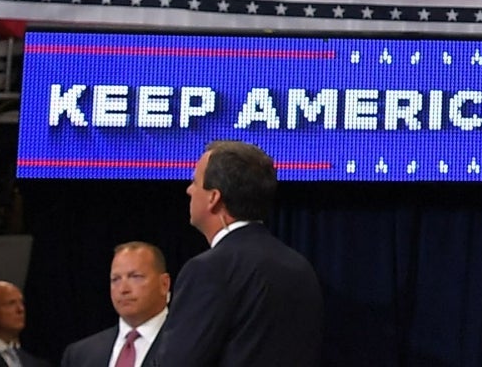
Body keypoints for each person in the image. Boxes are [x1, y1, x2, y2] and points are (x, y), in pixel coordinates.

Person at [148, 141, 322, 367]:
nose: (189, 190)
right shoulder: (300, 267)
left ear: (213, 198)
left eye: (195, 182)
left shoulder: (209, 270)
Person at [62, 242, 171, 367]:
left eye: (135, 277)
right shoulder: (80, 355)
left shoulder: (186, 346)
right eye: (115, 279)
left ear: (164, 284)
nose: (123, 289)